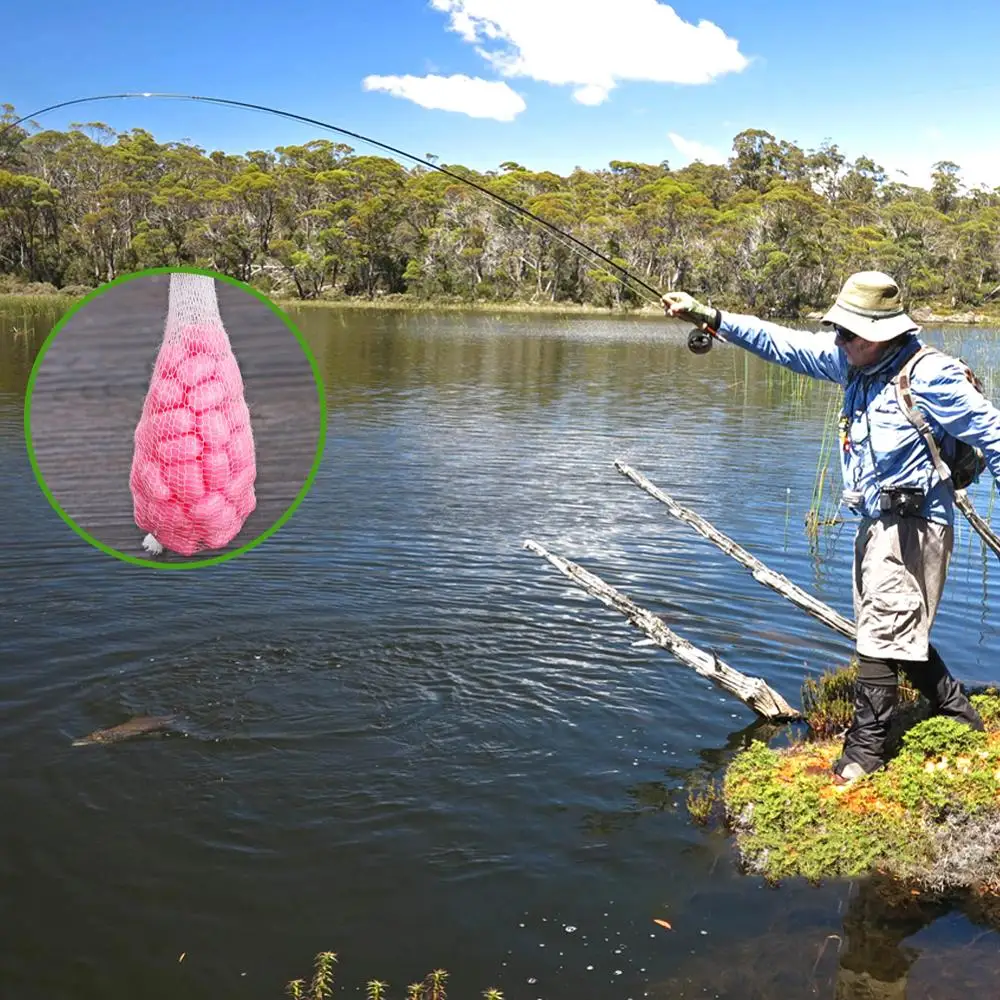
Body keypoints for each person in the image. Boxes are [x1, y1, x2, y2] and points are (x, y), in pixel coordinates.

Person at [662, 271, 991, 785]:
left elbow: (994, 434)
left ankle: (865, 750)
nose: (838, 340)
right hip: (874, 521)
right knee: (890, 626)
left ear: (883, 333)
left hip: (915, 524)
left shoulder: (930, 375)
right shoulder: (851, 362)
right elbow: (781, 342)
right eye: (837, 330)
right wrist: (709, 315)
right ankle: (955, 711)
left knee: (882, 630)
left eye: (848, 332)